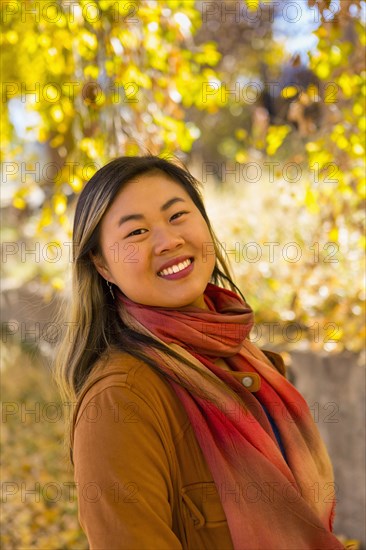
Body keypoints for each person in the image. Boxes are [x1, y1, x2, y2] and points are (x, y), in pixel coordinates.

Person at [54, 155, 344, 549]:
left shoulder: (249, 358)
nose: (168, 241)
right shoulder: (119, 401)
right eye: (136, 232)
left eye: (177, 216)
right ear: (102, 264)